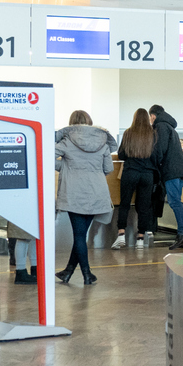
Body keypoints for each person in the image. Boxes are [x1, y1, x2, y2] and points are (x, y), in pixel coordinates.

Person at [49, 111, 116, 285]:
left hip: (74, 193)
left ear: (72, 124)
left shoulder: (66, 141)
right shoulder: (102, 141)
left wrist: (64, 166)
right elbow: (108, 168)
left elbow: (45, 157)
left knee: (79, 236)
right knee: (81, 235)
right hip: (96, 193)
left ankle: (87, 274)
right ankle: (68, 271)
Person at [116, 110, 163, 250]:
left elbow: (121, 155)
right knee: (144, 206)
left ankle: (120, 235)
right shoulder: (153, 134)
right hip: (147, 175)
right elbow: (157, 156)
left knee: (124, 203)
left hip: (130, 172)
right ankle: (141, 239)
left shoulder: (128, 133)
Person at [150, 105, 183, 249]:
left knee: (175, 202)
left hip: (172, 171)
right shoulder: (169, 126)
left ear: (153, 116)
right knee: (176, 202)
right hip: (177, 170)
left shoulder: (161, 126)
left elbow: (160, 149)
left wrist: (153, 162)